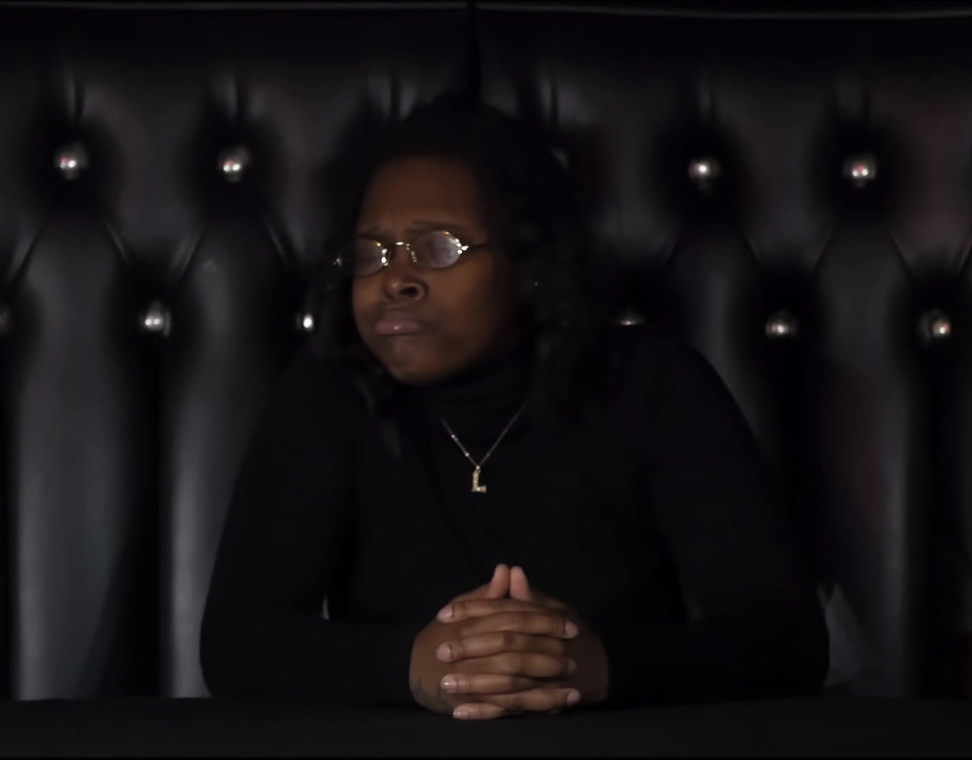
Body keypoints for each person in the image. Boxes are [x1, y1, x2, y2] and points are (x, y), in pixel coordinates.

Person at [199, 93, 827, 721]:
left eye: (438, 247)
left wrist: (603, 665)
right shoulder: (331, 389)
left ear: (529, 265)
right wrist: (415, 667)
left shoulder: (652, 383)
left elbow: (784, 639)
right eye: (372, 254)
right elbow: (237, 642)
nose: (395, 279)